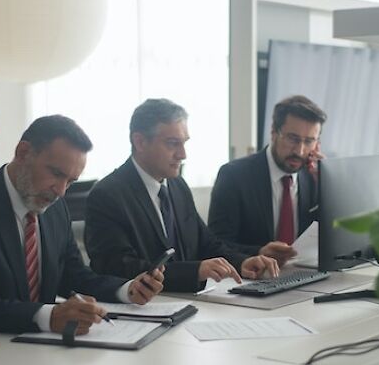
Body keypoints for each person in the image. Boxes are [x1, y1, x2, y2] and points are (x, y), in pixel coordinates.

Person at [0, 115, 164, 336]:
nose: (61, 191)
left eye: (70, 181)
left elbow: (74, 276)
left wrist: (127, 290)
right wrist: (49, 317)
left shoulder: (55, 209)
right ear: (23, 152)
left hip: (29, 347)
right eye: (56, 174)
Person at [84, 98, 278, 293]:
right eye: (172, 144)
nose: (182, 154)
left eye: (184, 143)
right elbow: (118, 266)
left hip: (189, 301)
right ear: (140, 142)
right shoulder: (107, 195)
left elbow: (207, 243)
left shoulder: (177, 185)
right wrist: (194, 271)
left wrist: (242, 262)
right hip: (144, 305)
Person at [208, 95, 326, 266]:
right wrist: (258, 252)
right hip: (253, 275)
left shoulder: (314, 177)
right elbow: (215, 244)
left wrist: (327, 186)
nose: (300, 151)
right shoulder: (234, 176)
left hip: (303, 273)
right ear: (273, 132)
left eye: (309, 141)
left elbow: (335, 237)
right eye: (293, 139)